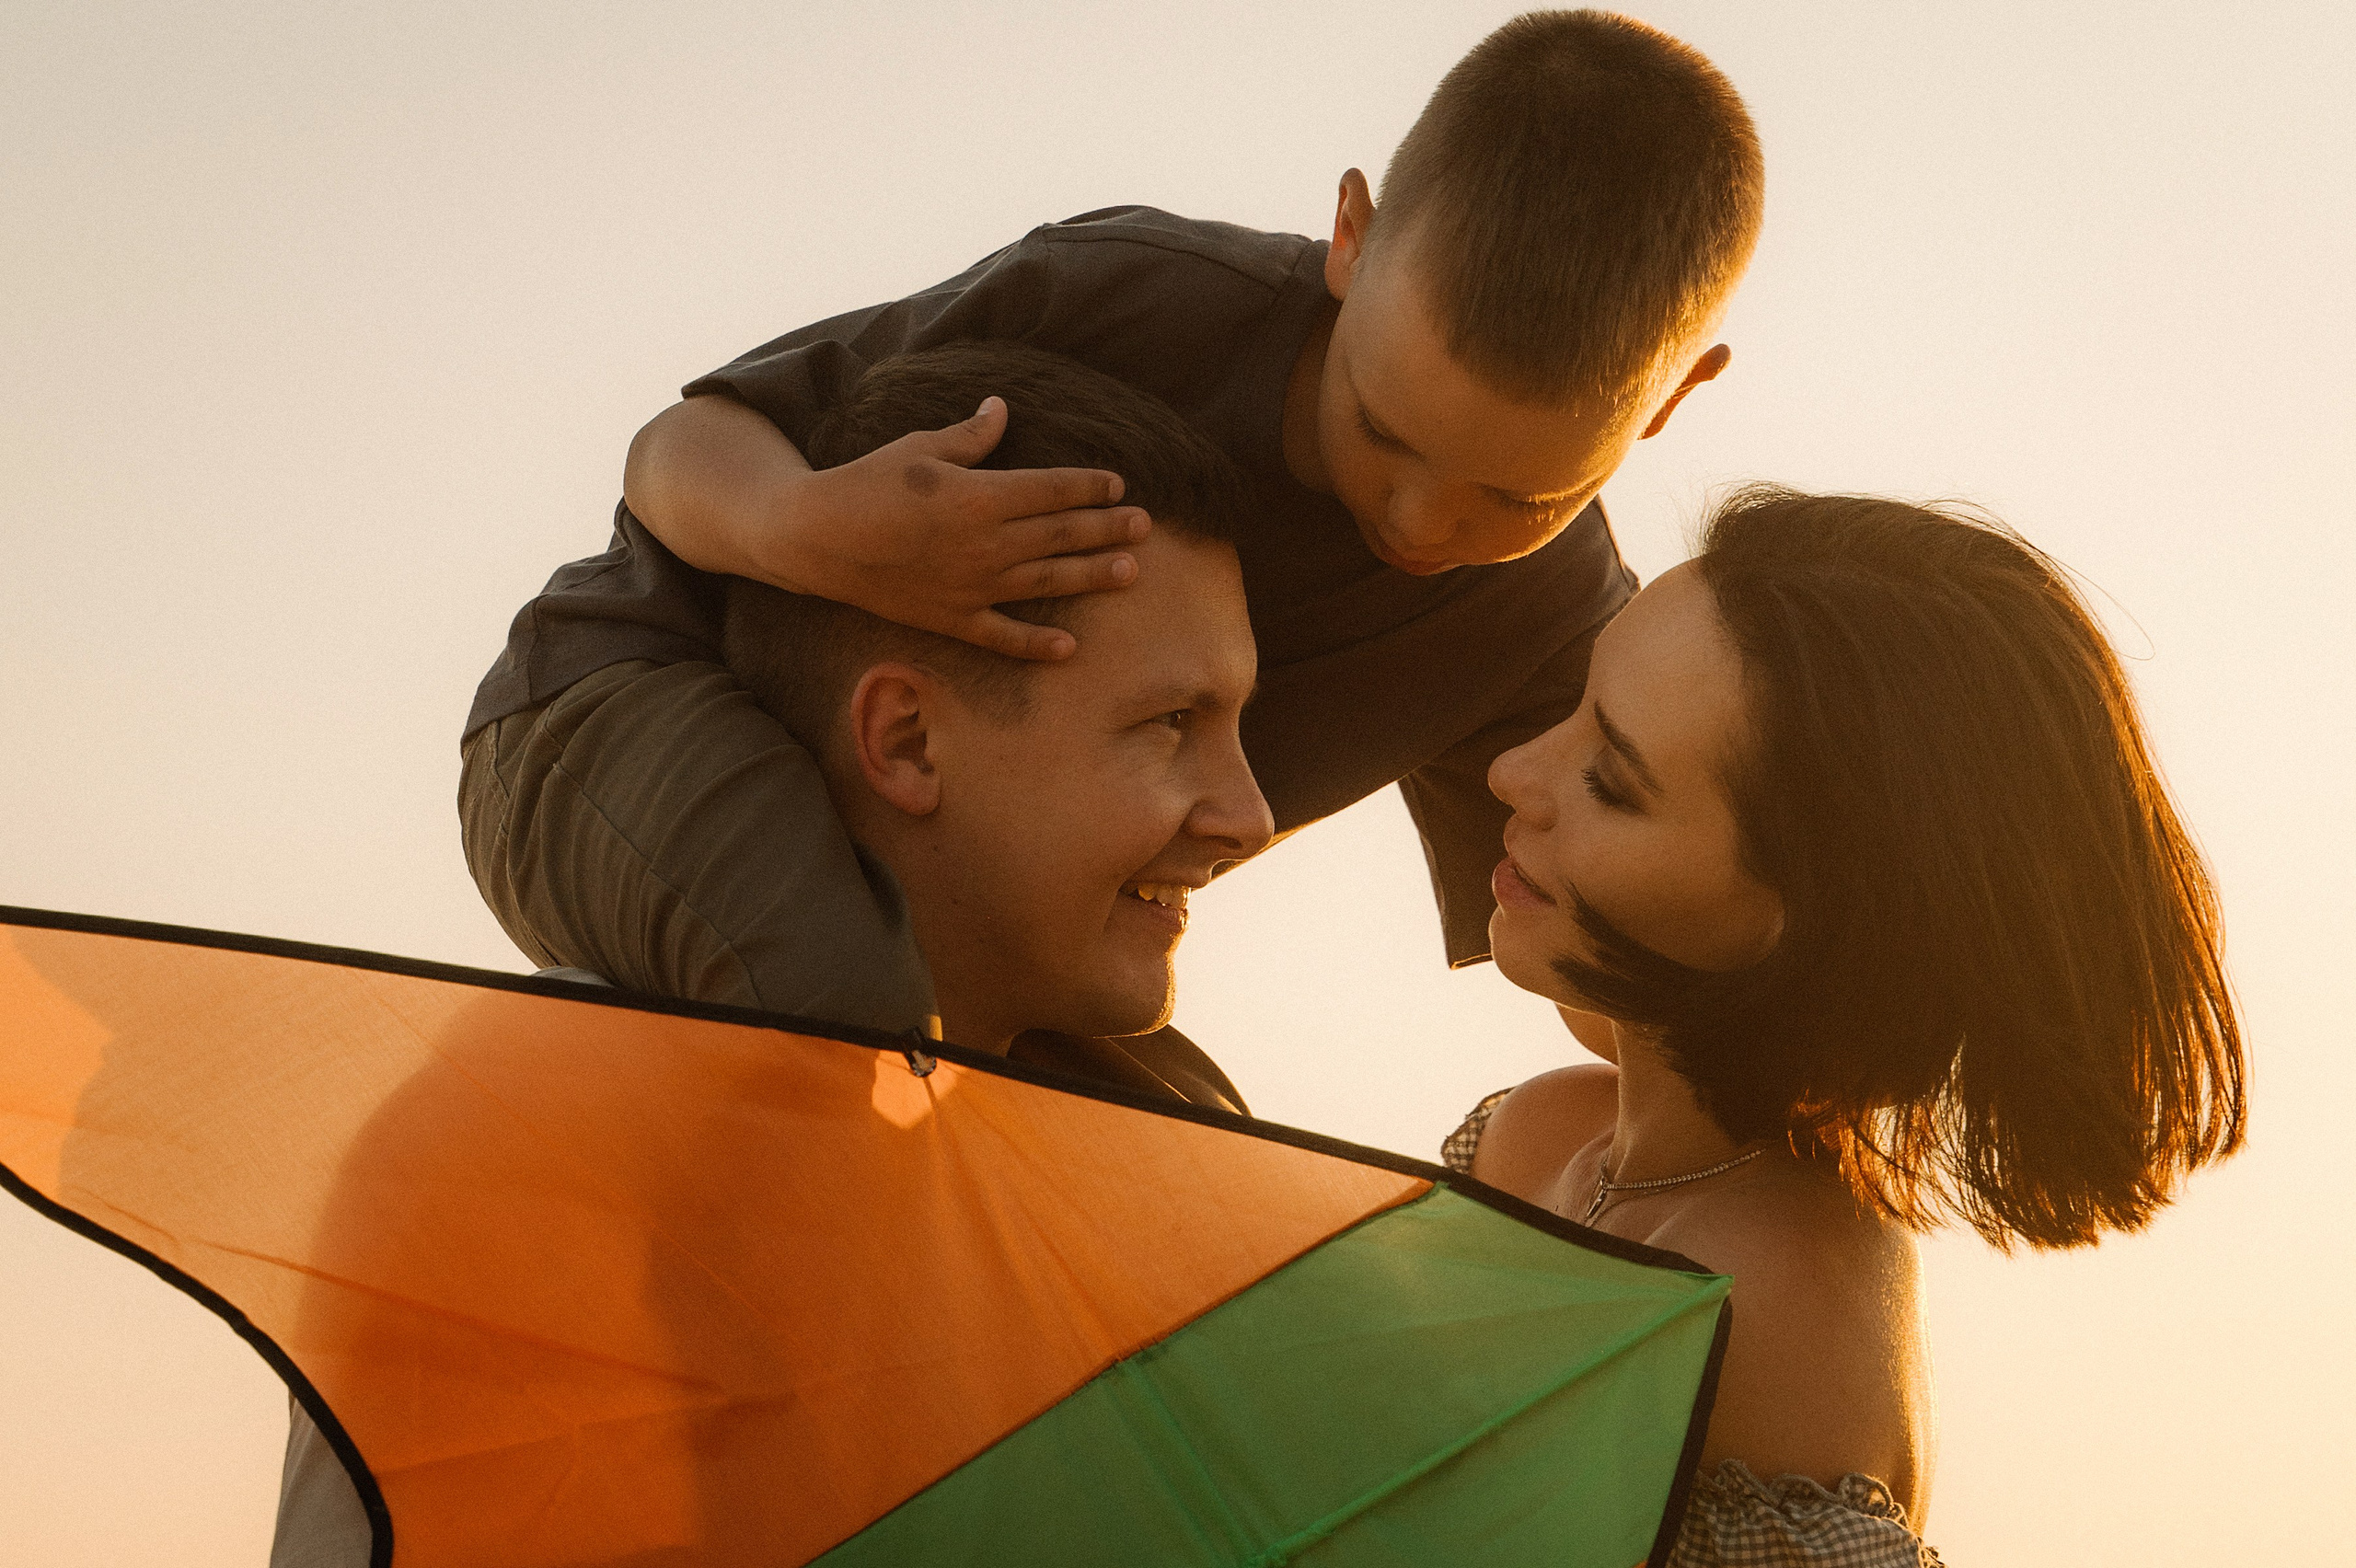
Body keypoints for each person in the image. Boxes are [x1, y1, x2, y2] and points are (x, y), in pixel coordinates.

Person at [460, 10, 1765, 1025]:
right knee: (830, 993)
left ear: (1672, 400)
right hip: (627, 697)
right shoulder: (1138, 299)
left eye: (1518, 498)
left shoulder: (1545, 623)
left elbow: (1586, 937)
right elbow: (675, 449)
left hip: (957, 895)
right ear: (1351, 237)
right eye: (1384, 431)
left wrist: (1762, 1065)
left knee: (1192, 1169)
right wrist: (804, 527)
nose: (1420, 525)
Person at [271, 345, 1272, 1566]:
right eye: (1171, 723)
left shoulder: (1167, 1160)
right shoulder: (555, 1135)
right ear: (906, 740)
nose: (1250, 815)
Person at [1442, 488, 2247, 1564]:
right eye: (1579, 705)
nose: (1511, 773)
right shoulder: (1538, 1134)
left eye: (1612, 782)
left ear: (1798, 923)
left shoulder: (1770, 1306)